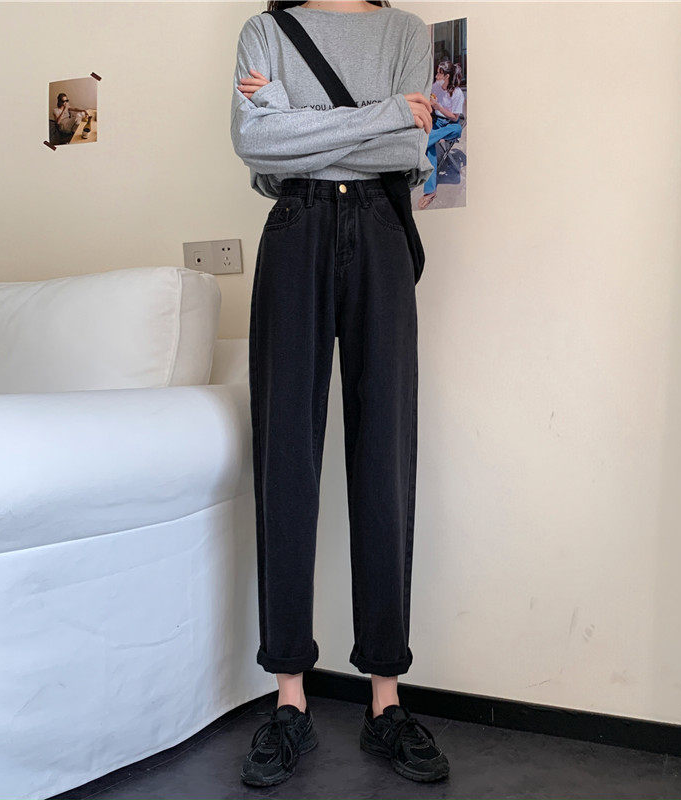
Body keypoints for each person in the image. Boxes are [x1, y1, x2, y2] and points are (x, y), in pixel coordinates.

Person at [230, 0, 450, 786]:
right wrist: (386, 112)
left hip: (382, 236)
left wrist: (295, 121)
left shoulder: (406, 33)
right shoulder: (264, 30)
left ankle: (385, 701)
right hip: (295, 231)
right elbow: (255, 144)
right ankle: (289, 699)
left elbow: (408, 150)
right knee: (285, 460)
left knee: (384, 457)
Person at [418, 59, 465, 209]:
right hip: (437, 121)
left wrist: (438, 106)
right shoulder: (435, 87)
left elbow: (455, 118)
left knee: (457, 129)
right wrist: (430, 104)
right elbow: (431, 106)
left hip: (450, 124)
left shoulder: (457, 93)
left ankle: (426, 139)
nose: (436, 75)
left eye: (439, 73)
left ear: (446, 76)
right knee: (430, 147)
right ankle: (430, 191)